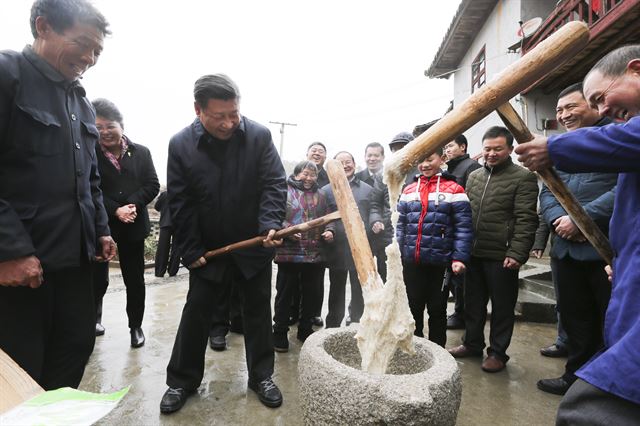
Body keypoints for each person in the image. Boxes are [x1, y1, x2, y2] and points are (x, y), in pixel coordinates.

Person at [515, 45, 640, 423]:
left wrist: (552, 147)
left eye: (600, 98)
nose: (603, 111)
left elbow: (616, 179)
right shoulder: (611, 138)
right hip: (620, 263)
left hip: (596, 250)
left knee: (590, 410)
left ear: (636, 70)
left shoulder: (609, 141)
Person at [0, 0, 115, 390]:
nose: (89, 57)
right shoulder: (6, 75)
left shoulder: (79, 101)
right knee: (20, 369)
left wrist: (101, 229)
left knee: (74, 350)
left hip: (75, 266)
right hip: (20, 272)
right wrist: (10, 250)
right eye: (82, 43)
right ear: (43, 26)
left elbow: (91, 179)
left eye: (96, 50)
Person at [160, 74, 287, 414]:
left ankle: (261, 376)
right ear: (198, 110)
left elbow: (274, 184)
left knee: (258, 312)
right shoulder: (181, 144)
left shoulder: (258, 136)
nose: (230, 123)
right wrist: (190, 248)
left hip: (253, 244)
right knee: (196, 312)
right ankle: (181, 381)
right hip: (209, 249)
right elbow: (181, 201)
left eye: (235, 114)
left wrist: (270, 224)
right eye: (220, 117)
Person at [535, 83, 616, 396]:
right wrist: (559, 221)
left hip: (605, 251)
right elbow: (547, 188)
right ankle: (576, 378)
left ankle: (607, 384)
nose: (564, 115)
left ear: (594, 104)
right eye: (559, 110)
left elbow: (622, 189)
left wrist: (581, 221)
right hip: (566, 250)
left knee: (609, 319)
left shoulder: (616, 138)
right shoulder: (559, 146)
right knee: (575, 317)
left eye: (571, 107)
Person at [448, 126, 538, 373]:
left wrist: (517, 253)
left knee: (502, 307)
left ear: (509, 149)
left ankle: (498, 353)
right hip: (473, 254)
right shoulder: (474, 177)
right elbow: (464, 216)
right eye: (487, 149)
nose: (491, 153)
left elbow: (526, 219)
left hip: (502, 256)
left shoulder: (523, 178)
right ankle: (472, 343)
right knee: (472, 303)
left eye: (498, 149)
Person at [91, 98, 160, 346]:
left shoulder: (141, 152)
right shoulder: (90, 152)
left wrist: (131, 205)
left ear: (121, 125)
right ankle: (94, 321)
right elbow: (91, 188)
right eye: (98, 127)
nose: (105, 132)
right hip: (102, 227)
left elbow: (152, 184)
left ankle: (136, 327)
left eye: (110, 126)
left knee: (134, 279)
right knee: (97, 279)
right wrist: (115, 210)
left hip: (133, 225)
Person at [396, 147, 473, 346]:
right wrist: (397, 253)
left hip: (441, 262)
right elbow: (400, 225)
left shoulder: (455, 190)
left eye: (430, 159)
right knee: (413, 307)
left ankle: (438, 351)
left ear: (442, 158)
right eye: (421, 161)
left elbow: (463, 228)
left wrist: (459, 258)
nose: (425, 165)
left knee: (437, 308)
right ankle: (415, 348)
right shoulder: (408, 190)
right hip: (412, 260)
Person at [272, 161, 333, 352]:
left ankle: (305, 330)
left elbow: (330, 217)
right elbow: (274, 215)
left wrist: (330, 230)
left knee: (311, 296)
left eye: (312, 175)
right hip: (289, 253)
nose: (308, 178)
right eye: (305, 174)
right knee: (284, 295)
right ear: (297, 174)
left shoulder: (321, 194)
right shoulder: (284, 191)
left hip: (314, 254)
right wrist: (286, 230)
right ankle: (279, 332)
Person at [322, 151, 374, 327]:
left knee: (359, 288)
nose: (345, 165)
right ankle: (333, 324)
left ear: (354, 163)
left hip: (360, 248)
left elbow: (373, 212)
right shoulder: (326, 191)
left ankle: (356, 322)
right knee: (336, 289)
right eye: (340, 162)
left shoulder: (368, 189)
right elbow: (323, 217)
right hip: (336, 248)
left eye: (348, 161)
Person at [443, 134, 481, 330]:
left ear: (463, 147)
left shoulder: (471, 167)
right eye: (445, 148)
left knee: (462, 279)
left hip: (462, 231)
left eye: (450, 146)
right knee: (453, 278)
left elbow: (472, 204)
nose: (447, 150)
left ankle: (462, 314)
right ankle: (459, 312)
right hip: (448, 231)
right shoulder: (450, 169)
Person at [531, 217, 570, 358]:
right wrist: (539, 242)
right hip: (560, 245)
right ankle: (563, 341)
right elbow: (545, 214)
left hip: (597, 248)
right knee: (563, 301)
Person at [356, 142, 392, 281]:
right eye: (369, 155)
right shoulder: (357, 178)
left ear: (383, 157)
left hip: (386, 233)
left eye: (376, 155)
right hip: (364, 234)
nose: (372, 158)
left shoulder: (390, 175)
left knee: (386, 273)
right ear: (365, 157)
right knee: (363, 276)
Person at [154, 191, 181, 278]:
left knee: (162, 247)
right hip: (178, 224)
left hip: (166, 223)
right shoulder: (181, 194)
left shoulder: (164, 194)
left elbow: (156, 207)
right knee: (176, 249)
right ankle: (173, 271)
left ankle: (159, 272)